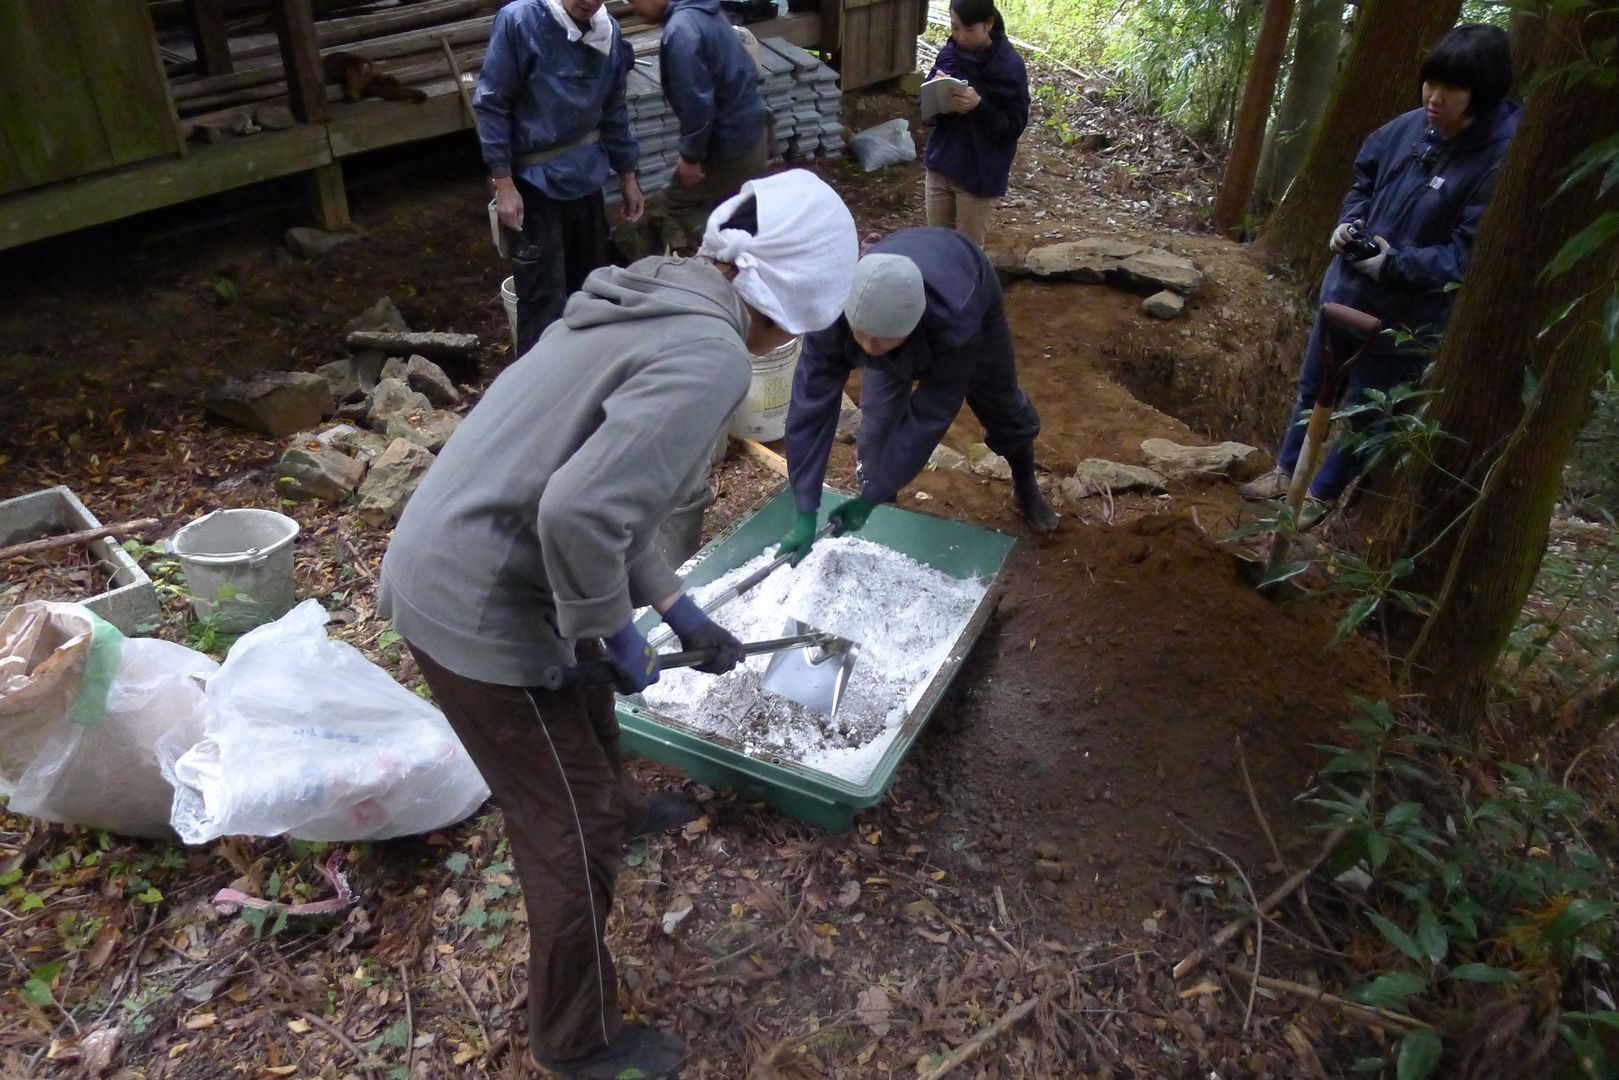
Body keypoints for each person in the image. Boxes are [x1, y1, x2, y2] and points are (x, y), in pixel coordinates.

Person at [377, 171, 858, 1080]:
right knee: (569, 835)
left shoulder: (646, 293)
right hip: (481, 607)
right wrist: (606, 630)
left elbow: (598, 496)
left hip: (454, 554)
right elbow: (578, 517)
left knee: (591, 741)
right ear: (796, 308)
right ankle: (573, 1039)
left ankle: (624, 806)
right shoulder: (711, 358)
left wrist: (675, 608)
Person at [1240, 24, 1519, 523]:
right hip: (1346, 291)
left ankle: (1320, 497)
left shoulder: (1500, 160)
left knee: (1368, 415)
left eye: (1452, 89)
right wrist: (1351, 223)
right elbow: (1363, 180)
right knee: (1313, 388)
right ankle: (1287, 472)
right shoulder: (1407, 128)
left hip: (1408, 318)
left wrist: (1394, 263)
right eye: (1430, 83)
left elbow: (1466, 257)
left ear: (1485, 91)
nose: (1434, 98)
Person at [776, 225, 1059, 564]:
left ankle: (1025, 483)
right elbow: (811, 409)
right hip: (889, 293)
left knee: (1001, 405)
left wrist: (871, 497)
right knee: (878, 419)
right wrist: (805, 506)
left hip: (967, 276)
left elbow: (930, 414)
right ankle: (880, 496)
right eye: (862, 337)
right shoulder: (832, 317)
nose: (869, 350)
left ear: (911, 326)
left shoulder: (956, 323)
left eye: (881, 341)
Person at [476, 0, 646, 357]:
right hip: (535, 184)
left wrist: (628, 173)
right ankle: (538, 392)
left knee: (592, 290)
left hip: (586, 178)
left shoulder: (608, 32)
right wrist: (504, 184)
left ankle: (587, 377)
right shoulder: (520, 22)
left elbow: (614, 107)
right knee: (542, 301)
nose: (588, 2)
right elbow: (493, 104)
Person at [626, 0, 769, 248]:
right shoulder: (704, 10)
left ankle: (730, 256)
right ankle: (746, 250)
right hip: (754, 131)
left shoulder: (682, 31)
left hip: (731, 144)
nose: (631, 6)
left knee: (677, 201)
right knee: (731, 205)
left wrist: (690, 158)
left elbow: (697, 104)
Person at [921, 0, 1030, 247]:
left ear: (989, 24)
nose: (960, 36)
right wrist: (938, 93)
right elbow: (925, 111)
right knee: (936, 247)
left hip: (978, 172)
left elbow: (1013, 128)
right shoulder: (949, 54)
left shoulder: (1009, 67)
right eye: (955, 27)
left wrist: (979, 106)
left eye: (969, 30)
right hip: (942, 163)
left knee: (967, 254)